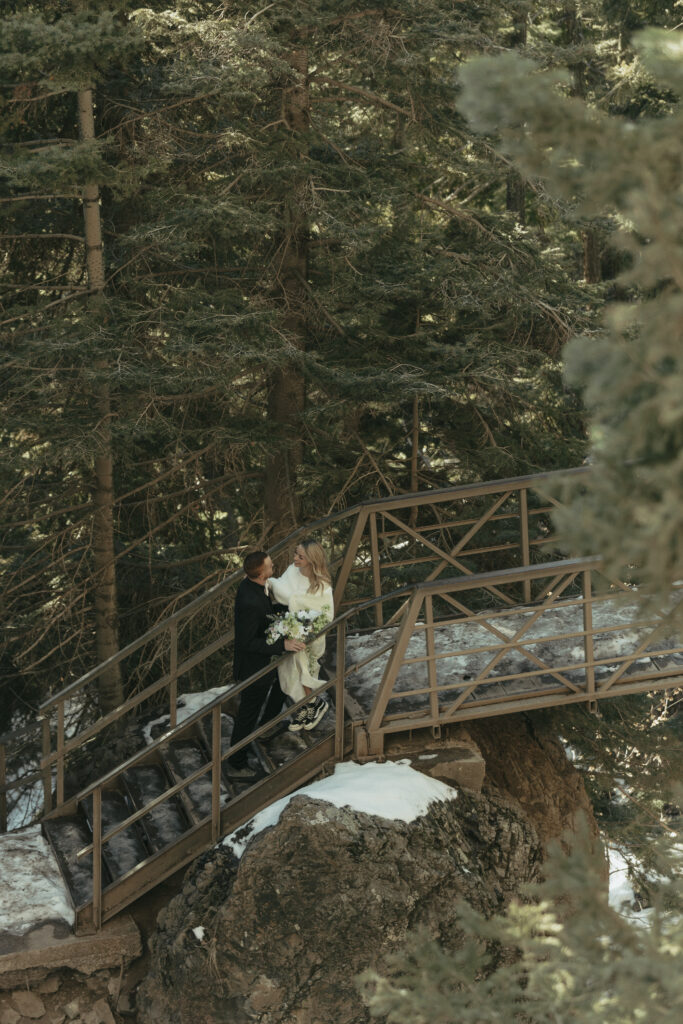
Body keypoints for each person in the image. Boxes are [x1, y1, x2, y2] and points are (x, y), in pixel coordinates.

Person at [227, 550, 305, 779]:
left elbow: (266, 614)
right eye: (270, 566)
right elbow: (248, 641)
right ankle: (236, 764)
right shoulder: (249, 601)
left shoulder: (252, 585)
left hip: (261, 664)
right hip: (253, 668)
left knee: (279, 685)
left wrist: (286, 612)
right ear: (261, 573)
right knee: (247, 716)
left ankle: (266, 726)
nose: (273, 568)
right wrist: (284, 645)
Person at [270, 540, 334, 732]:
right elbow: (282, 589)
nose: (295, 559)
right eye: (296, 554)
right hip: (293, 628)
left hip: (312, 633)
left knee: (302, 662)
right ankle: (309, 705)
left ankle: (310, 704)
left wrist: (306, 628)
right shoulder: (292, 571)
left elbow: (326, 615)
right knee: (290, 667)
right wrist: (270, 582)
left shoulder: (322, 585)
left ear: (311, 560)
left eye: (300, 556)